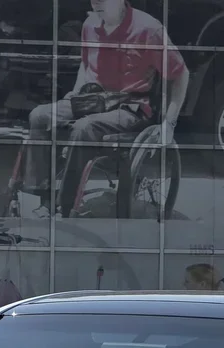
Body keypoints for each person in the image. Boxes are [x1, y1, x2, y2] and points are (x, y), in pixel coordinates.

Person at [25, 0, 188, 215]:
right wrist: (75, 94)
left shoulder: (149, 29)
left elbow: (180, 74)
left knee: (84, 128)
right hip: (93, 99)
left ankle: (65, 204)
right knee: (39, 116)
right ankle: (43, 197)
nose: (96, 3)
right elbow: (86, 65)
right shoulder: (89, 25)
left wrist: (169, 123)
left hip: (131, 106)